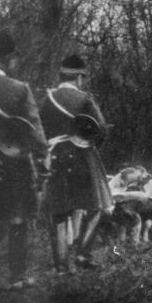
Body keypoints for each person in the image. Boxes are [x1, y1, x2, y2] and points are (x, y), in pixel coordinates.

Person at [0, 31, 48, 289]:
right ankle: (16, 277)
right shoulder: (20, 89)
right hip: (14, 163)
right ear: (9, 59)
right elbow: (35, 132)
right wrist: (43, 159)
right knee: (17, 218)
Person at [39, 54, 109, 250]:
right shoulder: (85, 98)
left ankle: (60, 264)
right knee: (95, 206)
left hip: (54, 156)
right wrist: (92, 146)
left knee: (59, 209)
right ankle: (82, 251)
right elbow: (101, 128)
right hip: (82, 156)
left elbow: (39, 130)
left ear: (61, 76)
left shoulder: (47, 99)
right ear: (79, 78)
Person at [46, 114, 112, 271]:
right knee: (59, 220)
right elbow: (50, 171)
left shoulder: (90, 149)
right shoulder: (58, 146)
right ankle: (61, 265)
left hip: (83, 188)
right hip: (62, 188)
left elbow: (97, 176)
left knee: (96, 212)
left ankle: (82, 255)